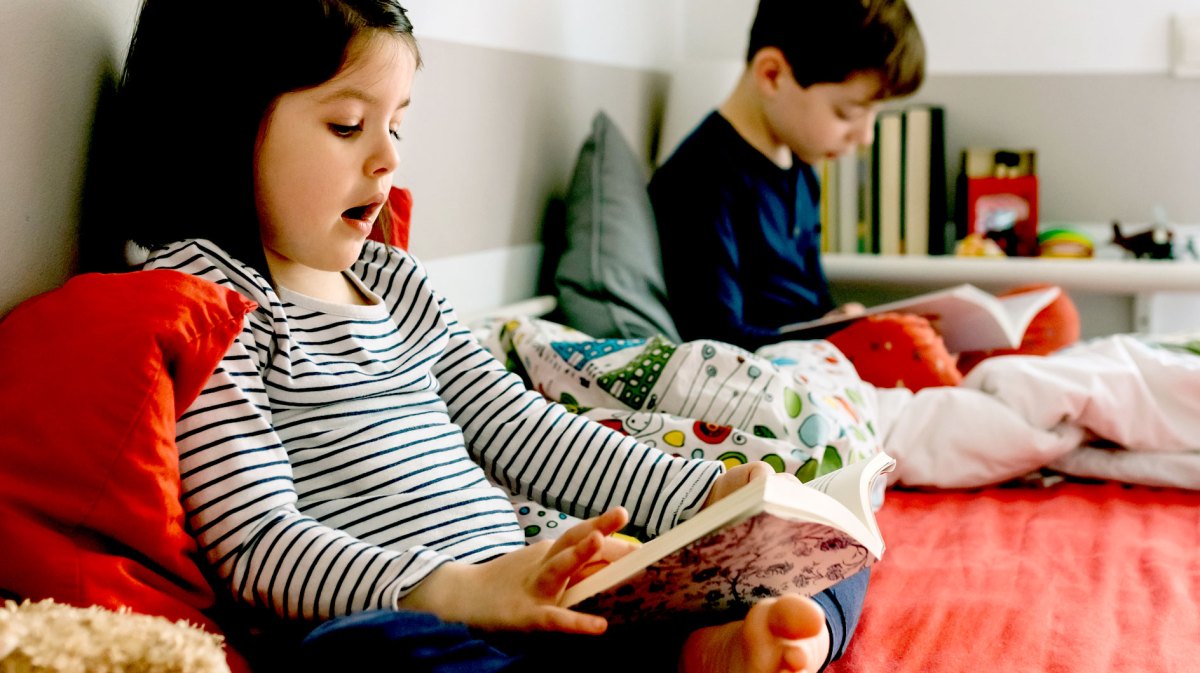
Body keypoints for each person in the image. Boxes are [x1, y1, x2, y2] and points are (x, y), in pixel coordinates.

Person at [102, 1, 869, 671]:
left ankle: (726, 643)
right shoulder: (206, 303)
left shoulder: (395, 281)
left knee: (828, 548)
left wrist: (706, 497)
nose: (389, 156)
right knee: (367, 654)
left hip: (529, 594)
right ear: (223, 120)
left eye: (396, 124)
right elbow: (261, 546)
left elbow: (522, 428)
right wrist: (464, 592)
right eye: (347, 125)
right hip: (407, 616)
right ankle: (684, 652)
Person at [650, 0, 926, 353]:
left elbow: (808, 298)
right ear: (772, 75)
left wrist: (840, 318)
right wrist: (839, 336)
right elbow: (716, 340)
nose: (865, 137)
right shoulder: (700, 181)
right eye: (847, 113)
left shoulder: (800, 170)